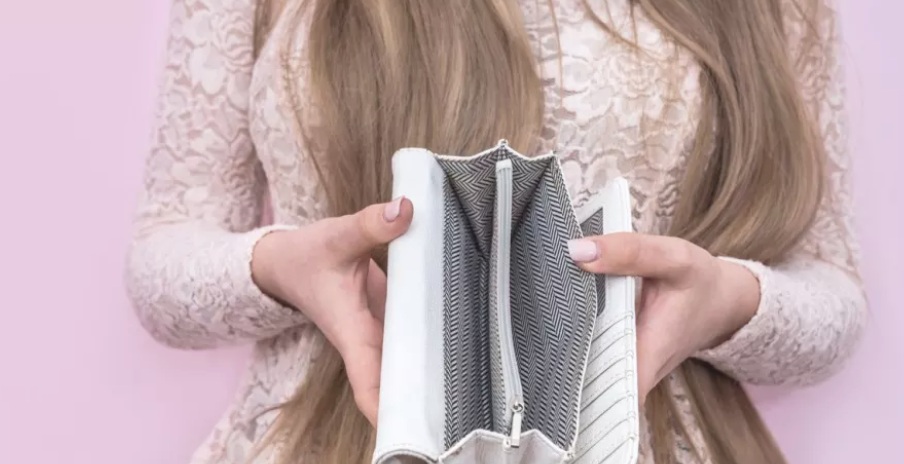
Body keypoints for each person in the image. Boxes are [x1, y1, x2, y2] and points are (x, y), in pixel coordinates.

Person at [125, 0, 867, 462]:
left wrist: (730, 300)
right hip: (323, 439)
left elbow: (831, 291)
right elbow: (163, 252)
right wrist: (280, 265)